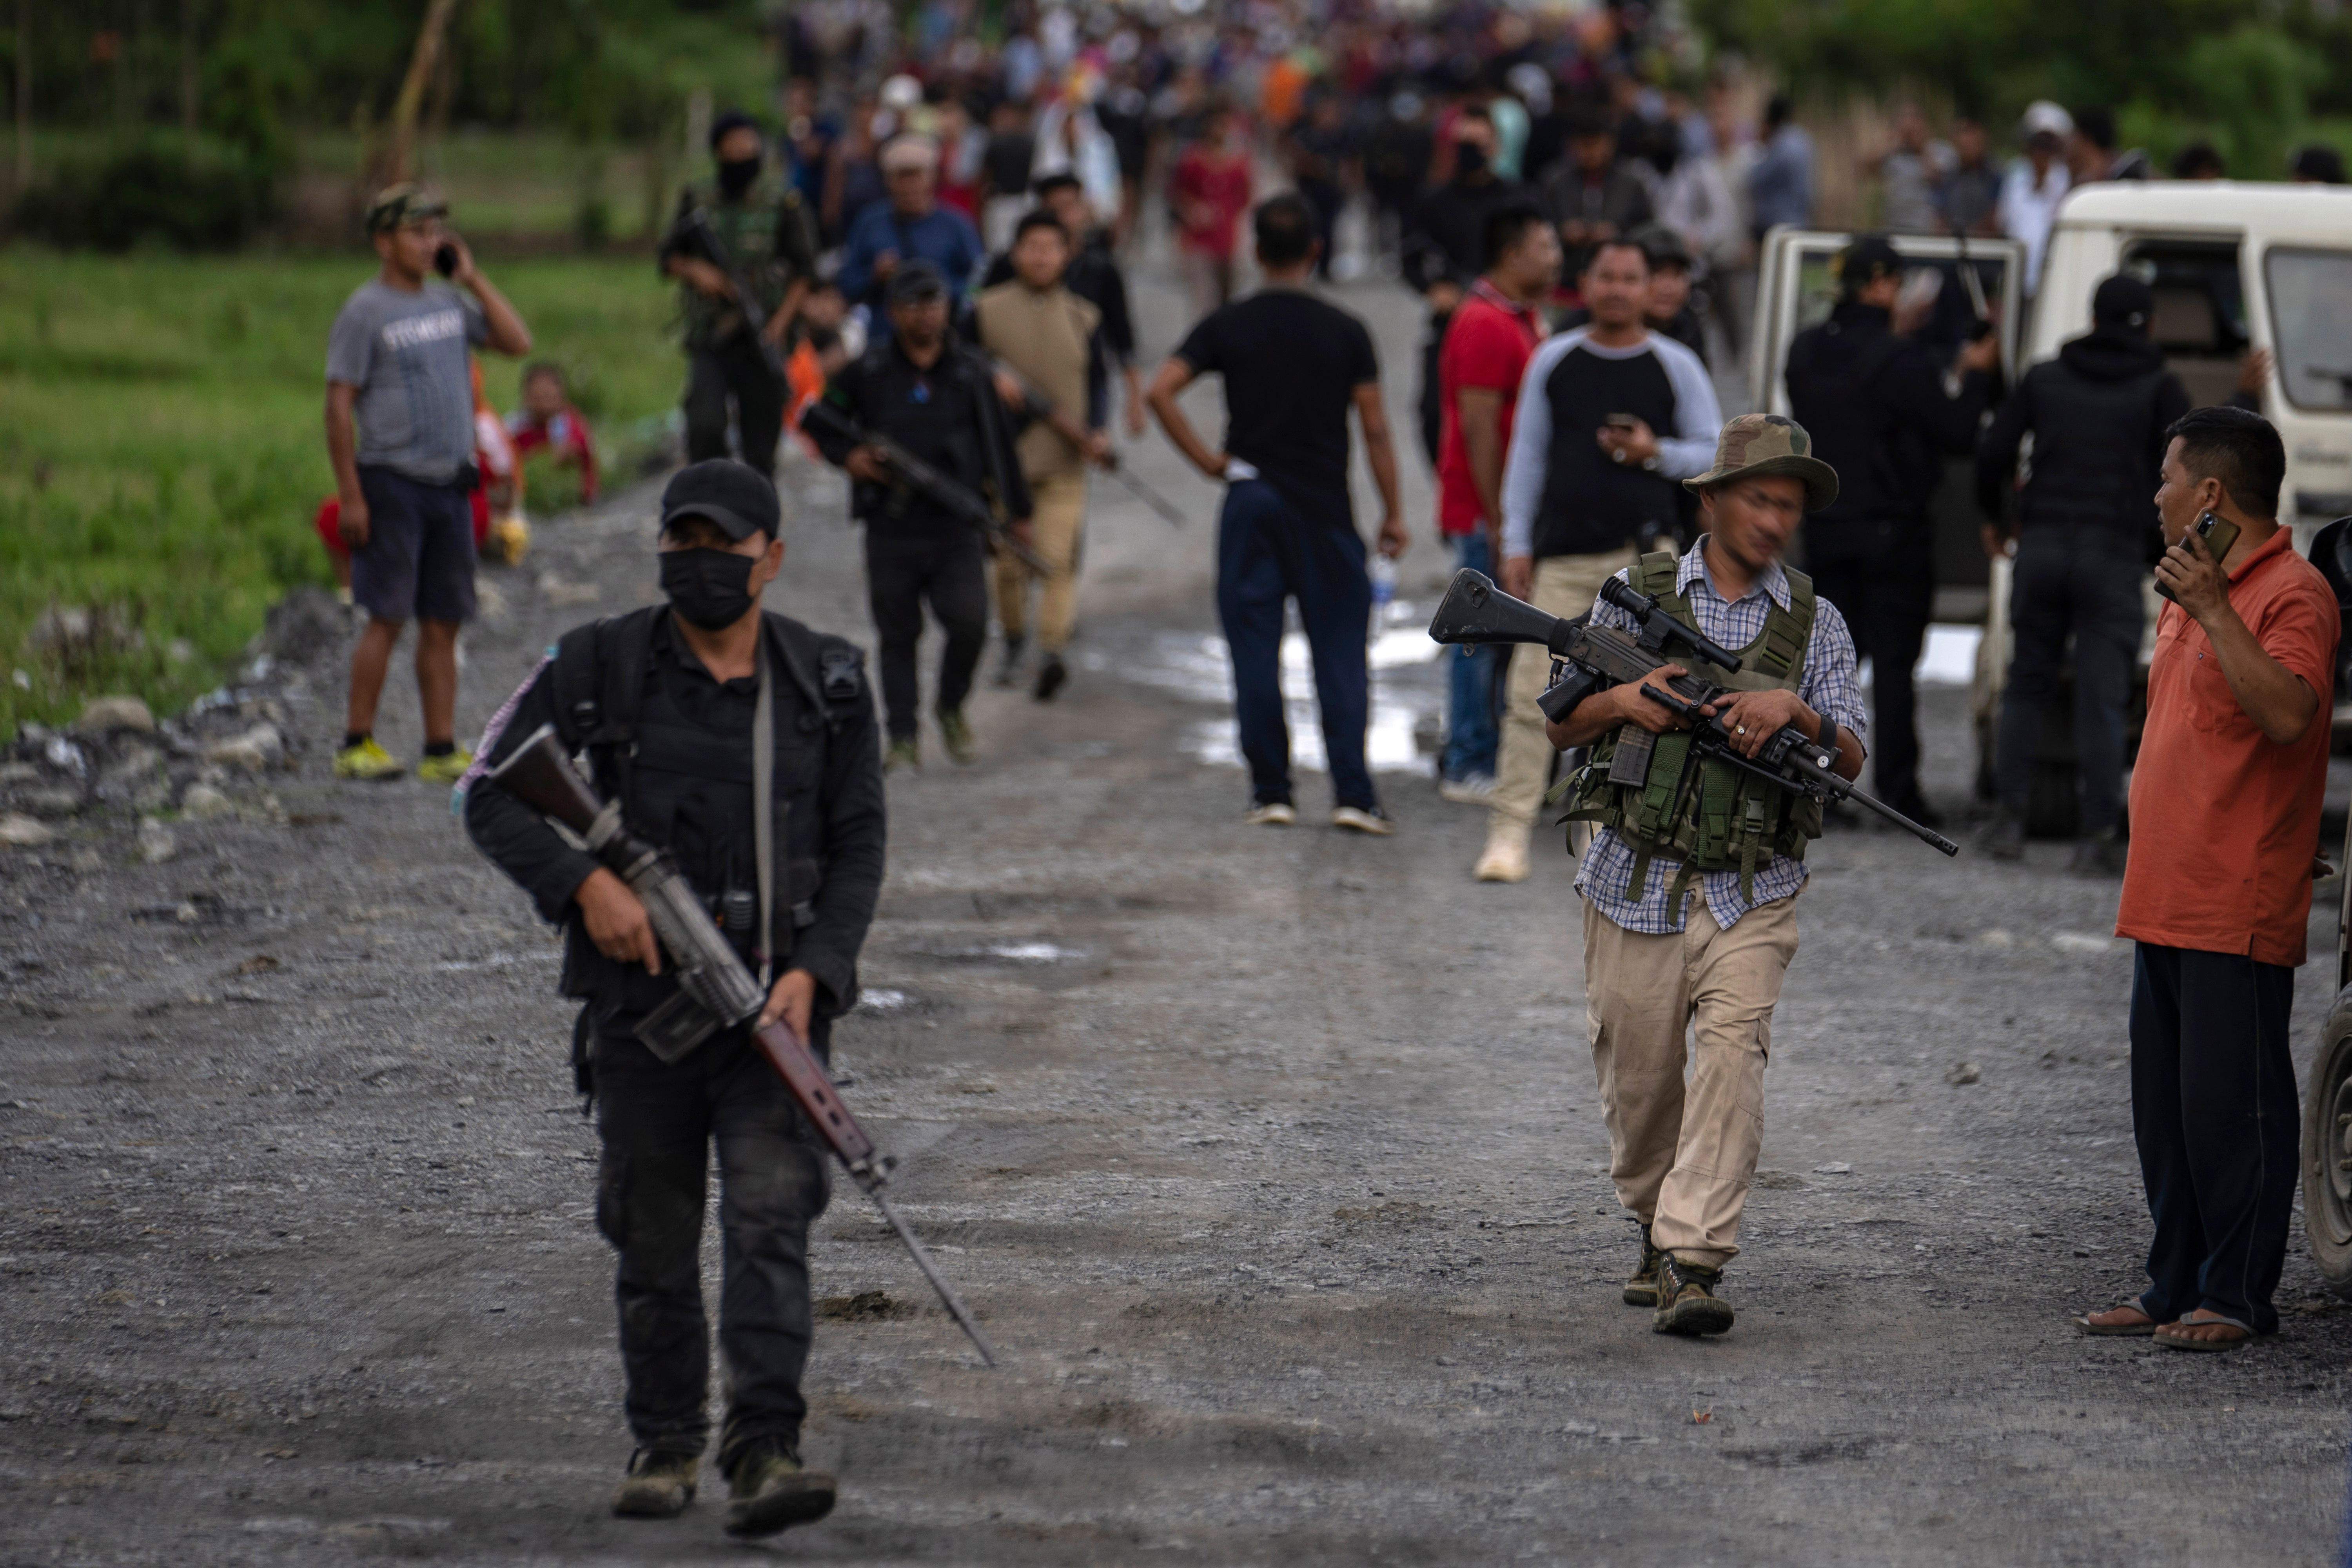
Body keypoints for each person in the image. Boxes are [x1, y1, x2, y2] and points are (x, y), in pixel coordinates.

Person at [460, 459, 885, 1538]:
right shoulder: (598, 663)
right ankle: (664, 1443)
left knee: (770, 1220)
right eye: (682, 544)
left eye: (725, 547)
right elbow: (487, 789)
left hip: (773, 1012)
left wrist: (814, 971)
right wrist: (585, 884)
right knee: (651, 1232)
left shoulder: (828, 680)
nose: (701, 565)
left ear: (771, 558)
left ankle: (765, 1450)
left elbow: (858, 843)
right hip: (640, 1013)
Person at [1543, 414, 1865, 1338]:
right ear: (1713, 499)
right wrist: (1626, 701)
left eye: (1789, 506)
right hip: (1630, 878)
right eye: (1759, 497)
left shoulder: (1816, 622)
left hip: (1750, 888)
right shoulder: (1633, 594)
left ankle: (1693, 1259)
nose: (1774, 520)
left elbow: (1851, 758)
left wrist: (1795, 710)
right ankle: (1652, 1222)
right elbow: (1561, 722)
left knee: (1732, 1062)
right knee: (1639, 1080)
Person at [2076, 407, 2338, 1352]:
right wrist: (2203, 602)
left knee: (2236, 1111)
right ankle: (2171, 1284)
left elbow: (2290, 715)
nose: (2157, 497)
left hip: (2236, 901)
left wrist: (2221, 611)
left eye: (2167, 479)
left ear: (2211, 494)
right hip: (2167, 893)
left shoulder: (2290, 594)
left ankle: (2235, 1296)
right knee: (2171, 1115)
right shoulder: (2192, 585)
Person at [1147, 194, 1408, 835]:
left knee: (1254, 651)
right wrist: (1394, 511)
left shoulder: (1228, 324)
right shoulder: (1345, 330)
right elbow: (1374, 429)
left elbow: (1160, 391)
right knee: (1340, 652)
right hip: (1324, 506)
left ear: (1257, 252)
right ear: (1315, 253)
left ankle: (1272, 792)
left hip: (1252, 497)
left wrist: (1210, 462)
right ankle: (1353, 793)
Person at [1475, 238, 1720, 884]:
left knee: (1643, 701)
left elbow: (1714, 453)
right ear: (1585, 285)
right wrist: (1516, 545)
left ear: (1650, 289)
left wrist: (1652, 453)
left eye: (1630, 278)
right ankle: (1509, 833)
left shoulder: (1677, 364)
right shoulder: (1553, 359)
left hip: (1649, 563)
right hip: (1561, 557)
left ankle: (1607, 837)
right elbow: (1525, 460)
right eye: (1605, 277)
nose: (1617, 289)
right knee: (1533, 693)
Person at [1783, 235, 2000, 825]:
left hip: (1826, 528)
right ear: (1880, 285)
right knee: (1898, 668)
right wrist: (1977, 375)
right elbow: (1955, 430)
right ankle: (1899, 791)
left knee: (1828, 665)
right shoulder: (1899, 358)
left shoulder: (1804, 350)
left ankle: (1813, 786)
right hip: (1894, 534)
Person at [1978, 275, 2190, 869]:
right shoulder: (2159, 387)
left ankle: (2009, 820)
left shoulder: (2046, 377)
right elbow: (2187, 469)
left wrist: (1997, 518)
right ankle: (2099, 836)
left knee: (2027, 682)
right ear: (2147, 324)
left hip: (2042, 546)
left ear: (2093, 317)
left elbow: (1994, 450)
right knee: (2102, 696)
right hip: (2112, 555)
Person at [325, 183, 531, 784]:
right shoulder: (364, 312)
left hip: (450, 487)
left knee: (444, 619)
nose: (430, 242)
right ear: (384, 241)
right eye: (417, 232)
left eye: (436, 231)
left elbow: (518, 343)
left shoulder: (448, 304)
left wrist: (472, 278)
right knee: (386, 616)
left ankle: (440, 748)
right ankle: (356, 742)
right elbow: (339, 407)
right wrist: (352, 495)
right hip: (392, 483)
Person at [808, 262, 1031, 772]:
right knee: (898, 634)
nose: (926, 315)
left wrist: (1018, 513)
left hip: (956, 528)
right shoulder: (869, 370)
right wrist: (850, 458)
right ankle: (903, 735)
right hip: (891, 527)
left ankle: (950, 706)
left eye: (934, 304)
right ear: (894, 312)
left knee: (970, 624)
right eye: (914, 305)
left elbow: (1000, 448)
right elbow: (821, 419)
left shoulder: (972, 372)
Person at [1432, 203, 1559, 804]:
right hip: (1488, 507)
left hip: (1509, 507)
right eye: (1545, 245)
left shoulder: (1521, 315)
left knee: (1499, 638)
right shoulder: (1483, 321)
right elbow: (1479, 428)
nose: (1555, 254)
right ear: (1512, 255)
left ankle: (1482, 746)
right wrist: (1499, 517)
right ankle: (1466, 758)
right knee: (1475, 638)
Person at [975, 211, 1112, 701]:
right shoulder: (986, 310)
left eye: (1050, 247)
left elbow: (1098, 383)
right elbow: (961, 367)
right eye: (1031, 246)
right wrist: (992, 380)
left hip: (1064, 463)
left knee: (1056, 561)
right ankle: (1014, 641)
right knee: (1010, 566)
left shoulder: (1084, 315)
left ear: (1066, 254)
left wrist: (1098, 432)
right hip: (1002, 465)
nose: (1040, 256)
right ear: (1015, 253)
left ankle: (1051, 651)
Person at [657, 111, 820, 479]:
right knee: (705, 425)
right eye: (734, 146)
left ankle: (757, 525)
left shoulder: (783, 203)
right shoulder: (698, 199)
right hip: (712, 335)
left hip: (763, 338)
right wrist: (697, 271)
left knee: (760, 447)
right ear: (718, 151)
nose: (743, 154)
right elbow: (667, 258)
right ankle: (707, 501)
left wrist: (779, 325)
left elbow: (805, 272)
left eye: (750, 146)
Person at [978, 173, 1145, 438]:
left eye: (1070, 207)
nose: (1064, 217)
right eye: (1054, 209)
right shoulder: (1008, 265)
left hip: (1078, 380)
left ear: (1084, 209)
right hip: (1014, 389)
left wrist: (1135, 398)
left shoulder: (1100, 268)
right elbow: (979, 324)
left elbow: (1122, 335)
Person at [838, 136, 986, 340]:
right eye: (901, 177)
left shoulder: (957, 225)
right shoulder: (870, 222)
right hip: (885, 341)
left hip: (943, 342)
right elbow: (846, 283)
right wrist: (874, 276)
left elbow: (979, 283)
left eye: (916, 176)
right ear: (888, 181)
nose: (910, 186)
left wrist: (935, 288)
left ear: (932, 178)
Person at [1542, 105, 1654, 285]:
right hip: (1564, 277)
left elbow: (1648, 229)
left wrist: (1617, 234)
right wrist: (1562, 232)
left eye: (1596, 144)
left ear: (1611, 144)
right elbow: (1540, 225)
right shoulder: (1555, 181)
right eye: (1583, 145)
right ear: (1571, 146)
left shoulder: (1632, 182)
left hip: (1618, 277)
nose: (1590, 152)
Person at [1171, 100, 1254, 317]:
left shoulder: (1239, 163)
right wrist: (1193, 211)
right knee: (1203, 298)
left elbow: (1245, 198)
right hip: (1199, 238)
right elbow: (1178, 193)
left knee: (1227, 296)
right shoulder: (1193, 159)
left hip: (1227, 238)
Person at [2000, 103, 2073, 296]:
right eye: (2037, 143)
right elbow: (2006, 223)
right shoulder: (2016, 175)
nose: (2041, 151)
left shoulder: (2065, 179)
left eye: (2047, 145)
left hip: (2052, 282)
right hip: (2016, 280)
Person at [507, 362, 600, 506]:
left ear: (561, 397)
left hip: (569, 499)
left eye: (548, 396)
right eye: (537, 397)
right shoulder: (517, 425)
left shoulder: (570, 423)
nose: (543, 404)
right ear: (526, 397)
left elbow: (585, 458)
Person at [1866, 104, 1953, 233]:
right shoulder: (1895, 154)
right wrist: (1890, 145)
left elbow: (1936, 177)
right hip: (1894, 225)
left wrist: (1922, 148)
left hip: (1926, 228)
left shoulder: (1940, 150)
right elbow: (1867, 168)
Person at [1747, 95, 1814, 240]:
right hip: (1801, 219)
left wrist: (1761, 142)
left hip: (1779, 224)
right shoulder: (1804, 139)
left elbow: (1756, 179)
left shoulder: (1781, 144)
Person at [1935, 116, 2003, 238]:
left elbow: (1995, 219)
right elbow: (1940, 217)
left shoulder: (1995, 177)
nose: (1968, 144)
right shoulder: (1947, 178)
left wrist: (1968, 236)